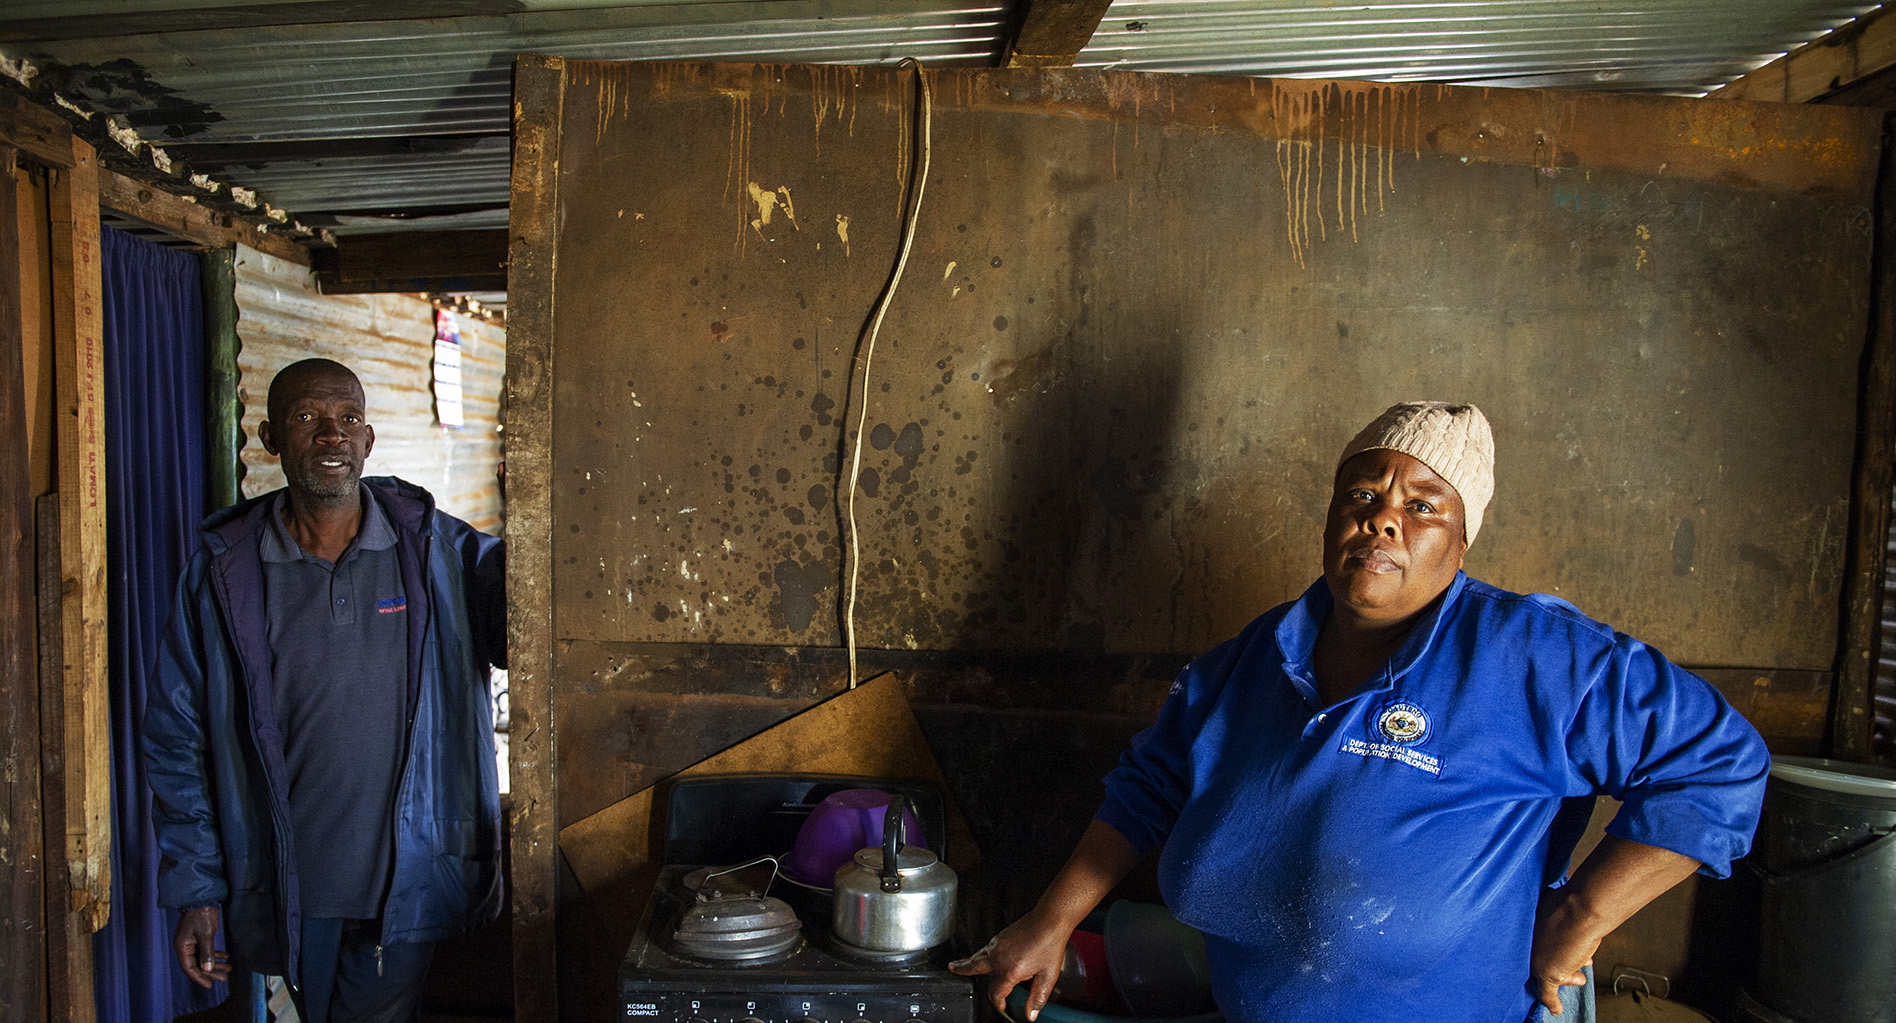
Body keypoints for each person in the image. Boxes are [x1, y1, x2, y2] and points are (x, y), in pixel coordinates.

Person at [950, 401, 1769, 1022]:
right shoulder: (1249, 662)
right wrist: (1049, 921)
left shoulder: (1531, 656)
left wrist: (1581, 916)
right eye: (1362, 493)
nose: (1383, 515)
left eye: (1423, 506)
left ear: (1462, 544)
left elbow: (1721, 763)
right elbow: (1149, 786)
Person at [145, 358, 506, 1023]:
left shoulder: (437, 551)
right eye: (308, 418)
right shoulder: (225, 573)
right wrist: (197, 889)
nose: (332, 436)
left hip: (403, 884)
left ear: (368, 441)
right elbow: (177, 737)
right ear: (271, 437)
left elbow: (521, 626)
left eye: (347, 420)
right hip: (286, 889)